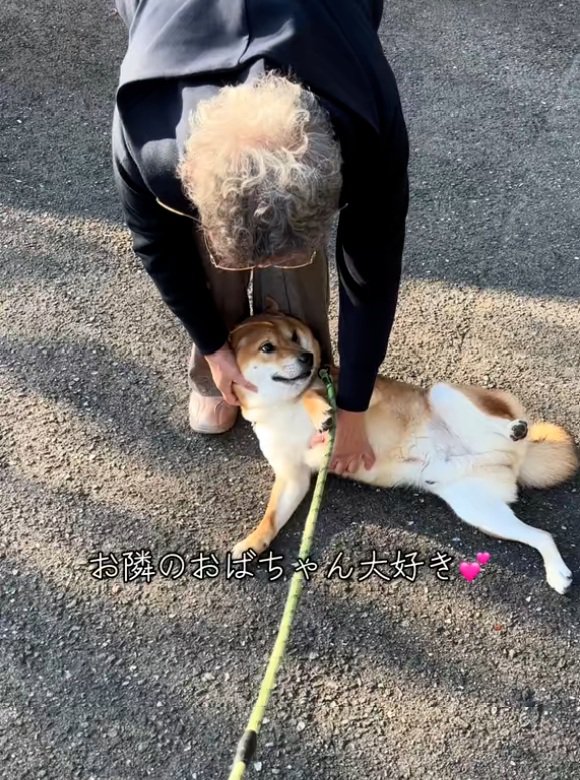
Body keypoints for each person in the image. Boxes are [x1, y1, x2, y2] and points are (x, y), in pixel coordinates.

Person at [112, 0, 409, 476]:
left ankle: (312, 371)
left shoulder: (368, 127)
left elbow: (371, 271)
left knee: (290, 238)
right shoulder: (148, 137)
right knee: (202, 250)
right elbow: (158, 246)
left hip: (327, 24)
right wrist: (213, 347)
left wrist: (354, 406)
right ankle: (220, 371)